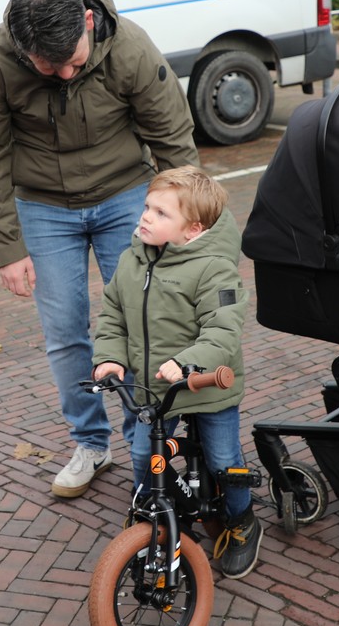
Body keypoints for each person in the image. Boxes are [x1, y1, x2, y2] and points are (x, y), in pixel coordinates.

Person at [0, 0, 198, 499]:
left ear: (89, 22)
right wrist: (7, 247)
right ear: (22, 49)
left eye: (73, 60)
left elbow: (173, 138)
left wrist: (186, 220)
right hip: (43, 205)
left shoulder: (130, 48)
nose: (66, 74)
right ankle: (91, 443)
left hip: (125, 194)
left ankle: (145, 446)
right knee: (66, 330)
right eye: (50, 68)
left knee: (141, 321)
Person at [91, 166, 260, 577]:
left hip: (207, 384)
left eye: (161, 213)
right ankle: (151, 515)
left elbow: (223, 329)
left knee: (223, 460)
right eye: (147, 207)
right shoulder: (131, 261)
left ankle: (241, 522)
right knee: (143, 455)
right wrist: (110, 356)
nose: (146, 217)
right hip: (155, 388)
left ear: (193, 229)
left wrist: (189, 362)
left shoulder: (214, 268)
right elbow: (113, 314)